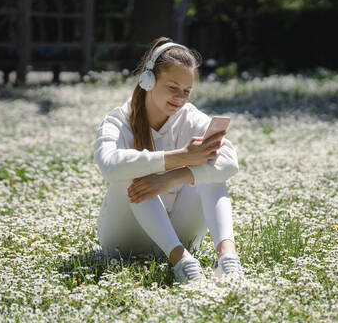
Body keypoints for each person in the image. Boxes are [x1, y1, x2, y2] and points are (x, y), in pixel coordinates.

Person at [93, 37, 243, 284]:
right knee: (133, 169)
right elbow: (109, 166)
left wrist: (174, 176)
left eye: (186, 91)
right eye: (172, 88)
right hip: (123, 239)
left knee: (212, 171)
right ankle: (181, 261)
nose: (180, 98)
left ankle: (227, 258)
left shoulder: (190, 117)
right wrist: (180, 158)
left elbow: (230, 162)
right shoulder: (118, 119)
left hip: (179, 231)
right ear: (148, 80)